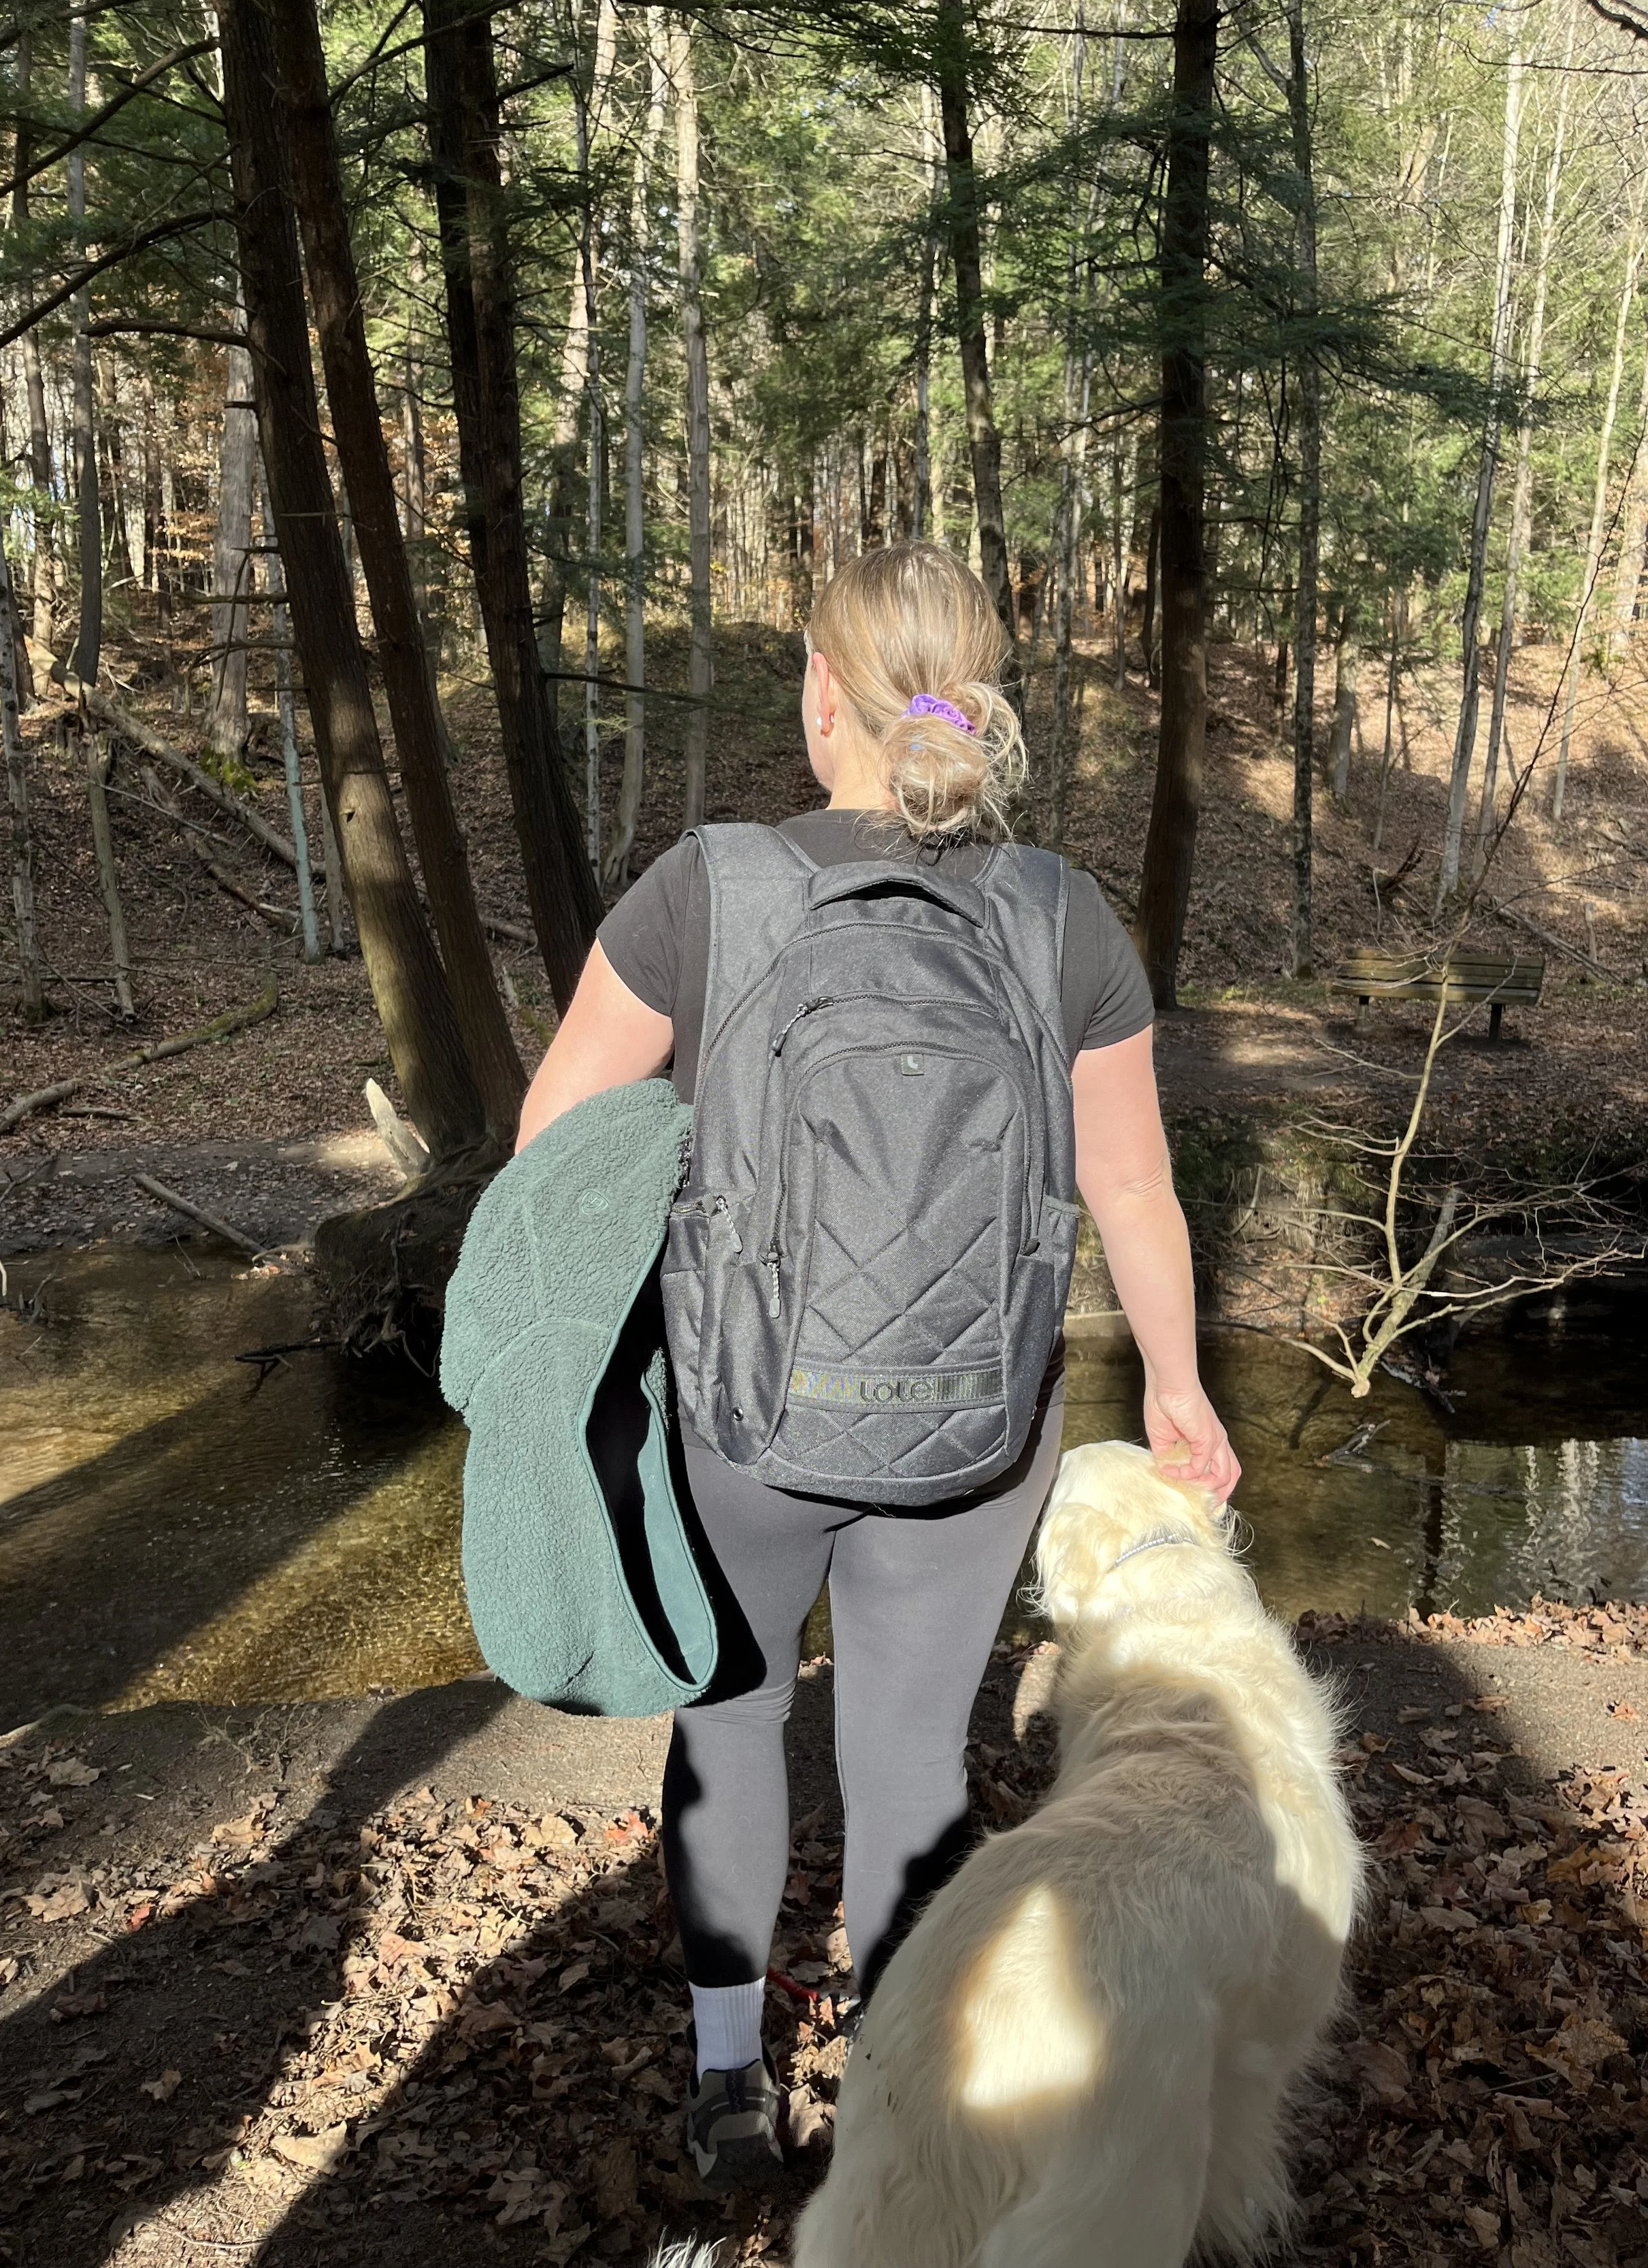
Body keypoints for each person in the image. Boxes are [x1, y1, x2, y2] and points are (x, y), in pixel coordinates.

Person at [513, 542, 1240, 2186]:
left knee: (728, 1727)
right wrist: (1176, 1387)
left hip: (740, 1417)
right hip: (978, 1429)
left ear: (813, 701)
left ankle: (725, 2086)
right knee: (910, 1749)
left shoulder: (706, 885)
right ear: (978, 699)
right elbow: (1126, 1181)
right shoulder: (1058, 913)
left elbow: (553, 1137)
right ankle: (901, 2094)